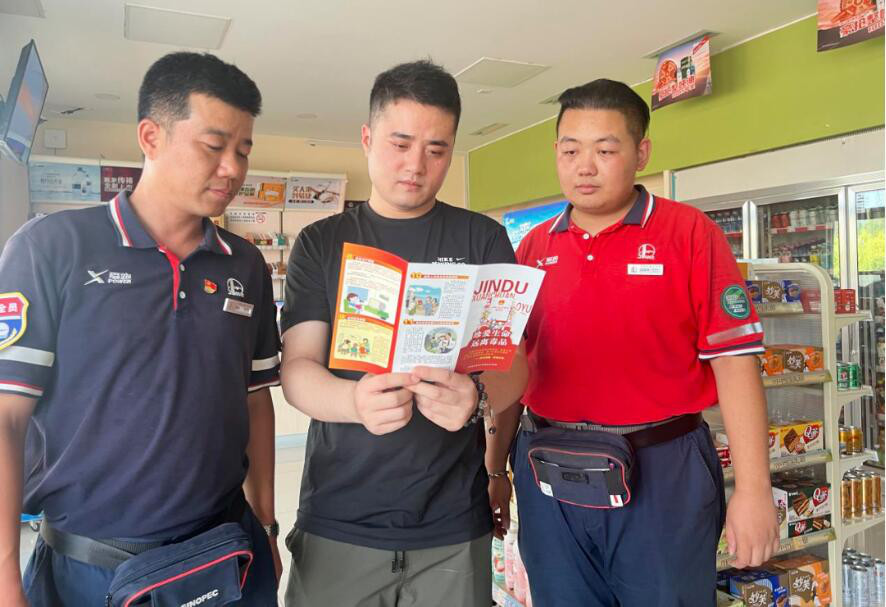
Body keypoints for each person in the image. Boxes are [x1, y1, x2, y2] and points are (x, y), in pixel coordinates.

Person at [0, 52, 282, 606]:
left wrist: (266, 525)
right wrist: (6, 577)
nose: (233, 168)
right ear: (151, 137)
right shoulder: (52, 248)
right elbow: (7, 418)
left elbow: (254, 401)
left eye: (243, 150)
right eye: (214, 145)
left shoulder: (245, 264)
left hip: (225, 553)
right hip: (93, 567)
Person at [508, 79, 779, 606]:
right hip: (548, 466)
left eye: (605, 150)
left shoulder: (690, 233)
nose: (585, 167)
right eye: (570, 151)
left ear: (641, 153)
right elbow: (512, 368)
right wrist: (495, 467)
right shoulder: (534, 246)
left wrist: (753, 490)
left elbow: (734, 362)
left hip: (663, 470)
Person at [279, 59, 527, 607]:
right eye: (400, 143)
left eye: (437, 149)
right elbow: (297, 368)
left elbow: (515, 364)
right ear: (367, 139)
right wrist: (352, 401)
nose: (416, 165)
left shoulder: (483, 238)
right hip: (339, 517)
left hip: (452, 520)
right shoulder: (321, 242)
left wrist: (478, 395)